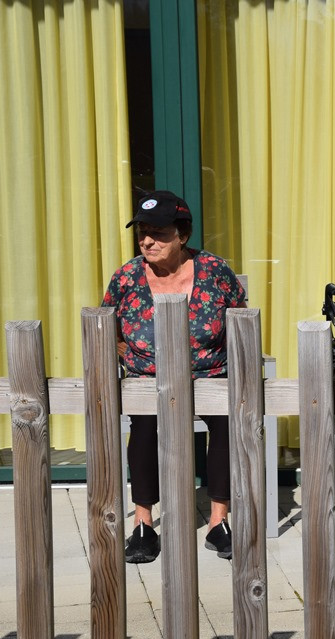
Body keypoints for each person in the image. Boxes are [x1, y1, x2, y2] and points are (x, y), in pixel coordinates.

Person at [103, 190, 247, 562]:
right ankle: (143, 524)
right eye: (143, 232)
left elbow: (241, 319)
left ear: (182, 234)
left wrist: (228, 366)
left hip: (210, 374)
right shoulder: (126, 278)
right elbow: (107, 329)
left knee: (227, 421)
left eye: (159, 232)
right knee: (144, 425)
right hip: (148, 379)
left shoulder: (214, 271)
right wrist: (130, 359)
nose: (147, 240)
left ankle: (218, 521)